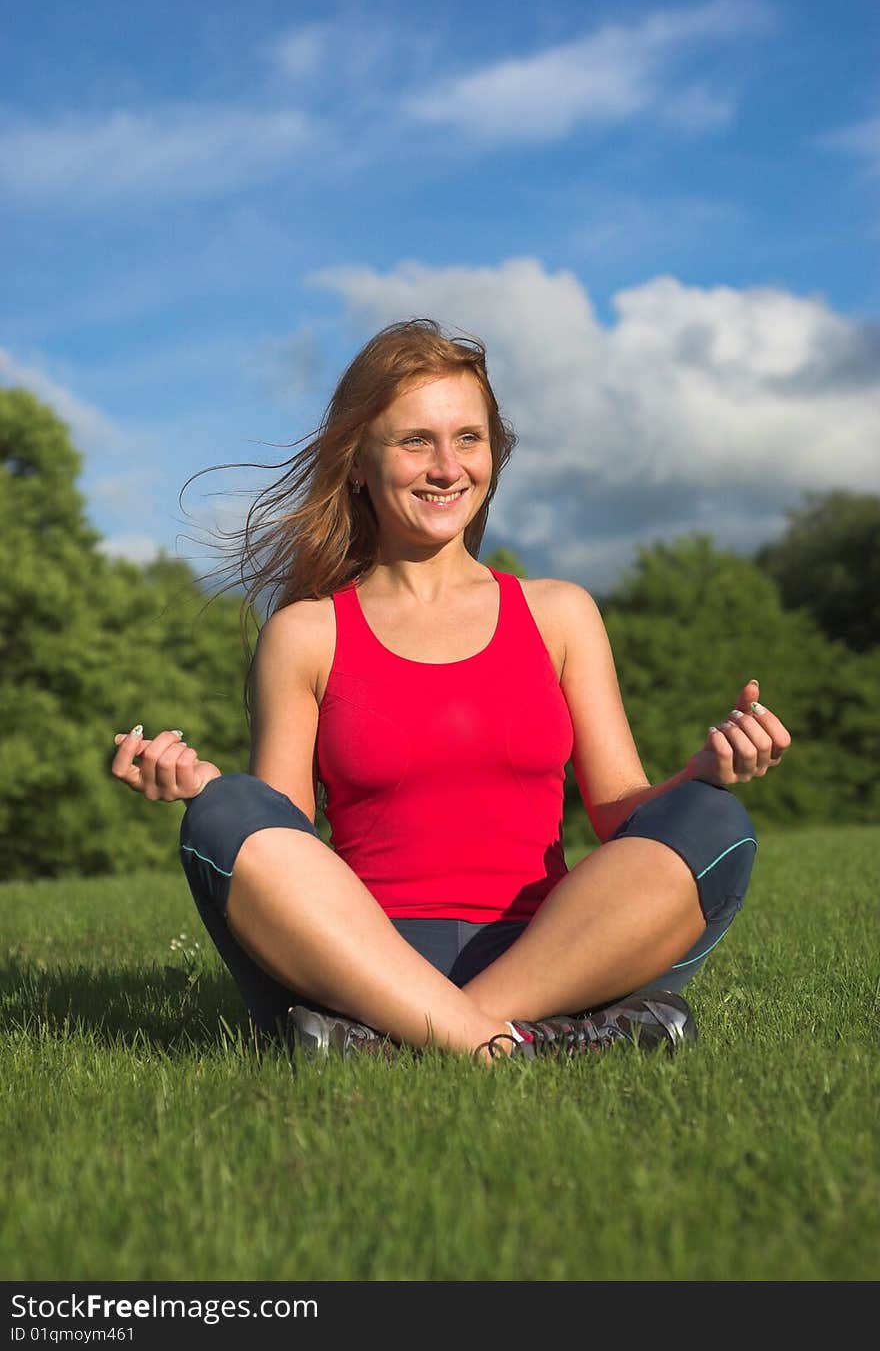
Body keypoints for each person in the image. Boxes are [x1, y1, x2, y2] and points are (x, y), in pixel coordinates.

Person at [111, 318, 791, 1063]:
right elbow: (284, 837)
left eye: (468, 438)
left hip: (551, 950)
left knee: (715, 820)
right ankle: (527, 1042)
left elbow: (620, 811)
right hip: (366, 958)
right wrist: (206, 787)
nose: (446, 467)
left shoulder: (560, 614)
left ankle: (418, 1038)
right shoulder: (306, 633)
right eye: (415, 441)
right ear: (359, 465)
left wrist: (704, 772)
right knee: (225, 811)